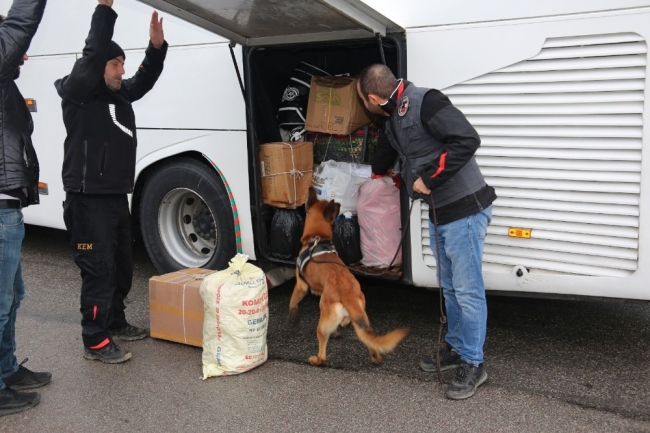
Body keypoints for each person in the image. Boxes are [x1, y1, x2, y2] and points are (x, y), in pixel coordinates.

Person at [357, 64, 496, 400]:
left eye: (363, 100)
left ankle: (474, 364)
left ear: (373, 97)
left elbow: (467, 139)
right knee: (449, 286)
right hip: (440, 213)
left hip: (464, 208)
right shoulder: (392, 118)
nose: (364, 105)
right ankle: (456, 348)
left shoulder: (426, 101)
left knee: (467, 290)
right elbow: (384, 159)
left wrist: (430, 179)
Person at [54, 0, 167, 364]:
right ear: (98, 65)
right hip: (88, 200)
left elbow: (144, 79)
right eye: (115, 64)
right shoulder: (80, 94)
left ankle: (114, 320)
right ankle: (95, 340)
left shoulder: (118, 94)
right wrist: (105, 10)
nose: (122, 70)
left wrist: (156, 48)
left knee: (121, 266)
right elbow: (92, 55)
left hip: (116, 196)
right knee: (98, 269)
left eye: (122, 64)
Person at [0, 0, 52, 416]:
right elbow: (19, 27)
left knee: (13, 296)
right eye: (18, 49)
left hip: (8, 208)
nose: (24, 55)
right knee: (0, 301)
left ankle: (6, 368)